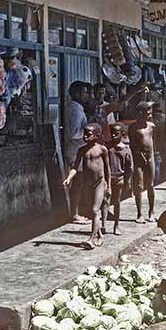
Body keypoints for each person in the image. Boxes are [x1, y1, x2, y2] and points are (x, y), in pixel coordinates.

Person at [63, 123, 110, 249]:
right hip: (87, 184)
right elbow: (75, 167)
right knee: (93, 212)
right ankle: (100, 235)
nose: (85, 137)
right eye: (84, 134)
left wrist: (108, 185)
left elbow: (107, 169)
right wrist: (69, 178)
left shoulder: (102, 149)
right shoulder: (82, 150)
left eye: (88, 135)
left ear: (97, 135)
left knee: (95, 210)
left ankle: (91, 239)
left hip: (99, 183)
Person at [64, 81, 89, 224]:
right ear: (76, 94)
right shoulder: (75, 110)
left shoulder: (76, 108)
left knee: (79, 183)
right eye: (84, 93)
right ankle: (74, 214)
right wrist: (88, 130)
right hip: (75, 151)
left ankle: (77, 211)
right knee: (77, 183)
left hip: (77, 150)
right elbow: (74, 133)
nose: (86, 96)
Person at [103, 123, 133, 235]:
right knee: (105, 202)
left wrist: (128, 181)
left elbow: (130, 167)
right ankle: (103, 226)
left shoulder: (126, 149)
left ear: (123, 134)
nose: (114, 135)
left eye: (116, 133)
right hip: (107, 179)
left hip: (119, 179)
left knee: (116, 202)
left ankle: (116, 225)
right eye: (112, 133)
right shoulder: (107, 147)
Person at [129, 101, 156, 223]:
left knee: (150, 185)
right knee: (139, 185)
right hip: (138, 158)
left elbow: (153, 142)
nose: (150, 115)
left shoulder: (151, 126)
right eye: (148, 113)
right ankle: (139, 213)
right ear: (140, 113)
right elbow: (132, 144)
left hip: (150, 158)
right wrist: (138, 155)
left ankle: (151, 211)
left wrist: (152, 155)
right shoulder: (133, 127)